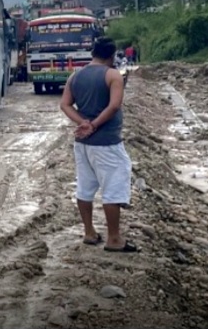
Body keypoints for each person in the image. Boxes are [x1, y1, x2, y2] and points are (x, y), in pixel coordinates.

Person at [59, 36, 139, 253]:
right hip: (107, 143)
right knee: (113, 187)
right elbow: (114, 106)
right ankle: (114, 239)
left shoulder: (75, 76)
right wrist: (93, 125)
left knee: (85, 187)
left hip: (83, 144)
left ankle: (89, 232)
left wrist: (82, 123)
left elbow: (65, 104)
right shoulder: (112, 75)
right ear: (112, 55)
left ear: (93, 53)